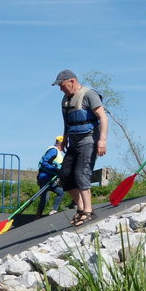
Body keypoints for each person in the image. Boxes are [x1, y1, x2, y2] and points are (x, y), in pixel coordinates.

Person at [52, 69, 108, 226]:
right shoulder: (65, 99)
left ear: (72, 81)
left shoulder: (89, 94)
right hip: (73, 142)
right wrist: (64, 140)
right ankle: (81, 208)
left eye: (62, 85)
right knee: (65, 175)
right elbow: (67, 123)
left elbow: (103, 117)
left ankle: (89, 212)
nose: (60, 89)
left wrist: (102, 140)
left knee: (81, 174)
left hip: (89, 140)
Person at [35, 135, 66, 219]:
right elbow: (44, 163)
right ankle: (39, 214)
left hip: (50, 178)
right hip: (45, 177)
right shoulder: (53, 150)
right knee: (45, 197)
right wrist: (56, 170)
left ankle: (52, 211)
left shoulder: (57, 152)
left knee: (61, 192)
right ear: (62, 144)